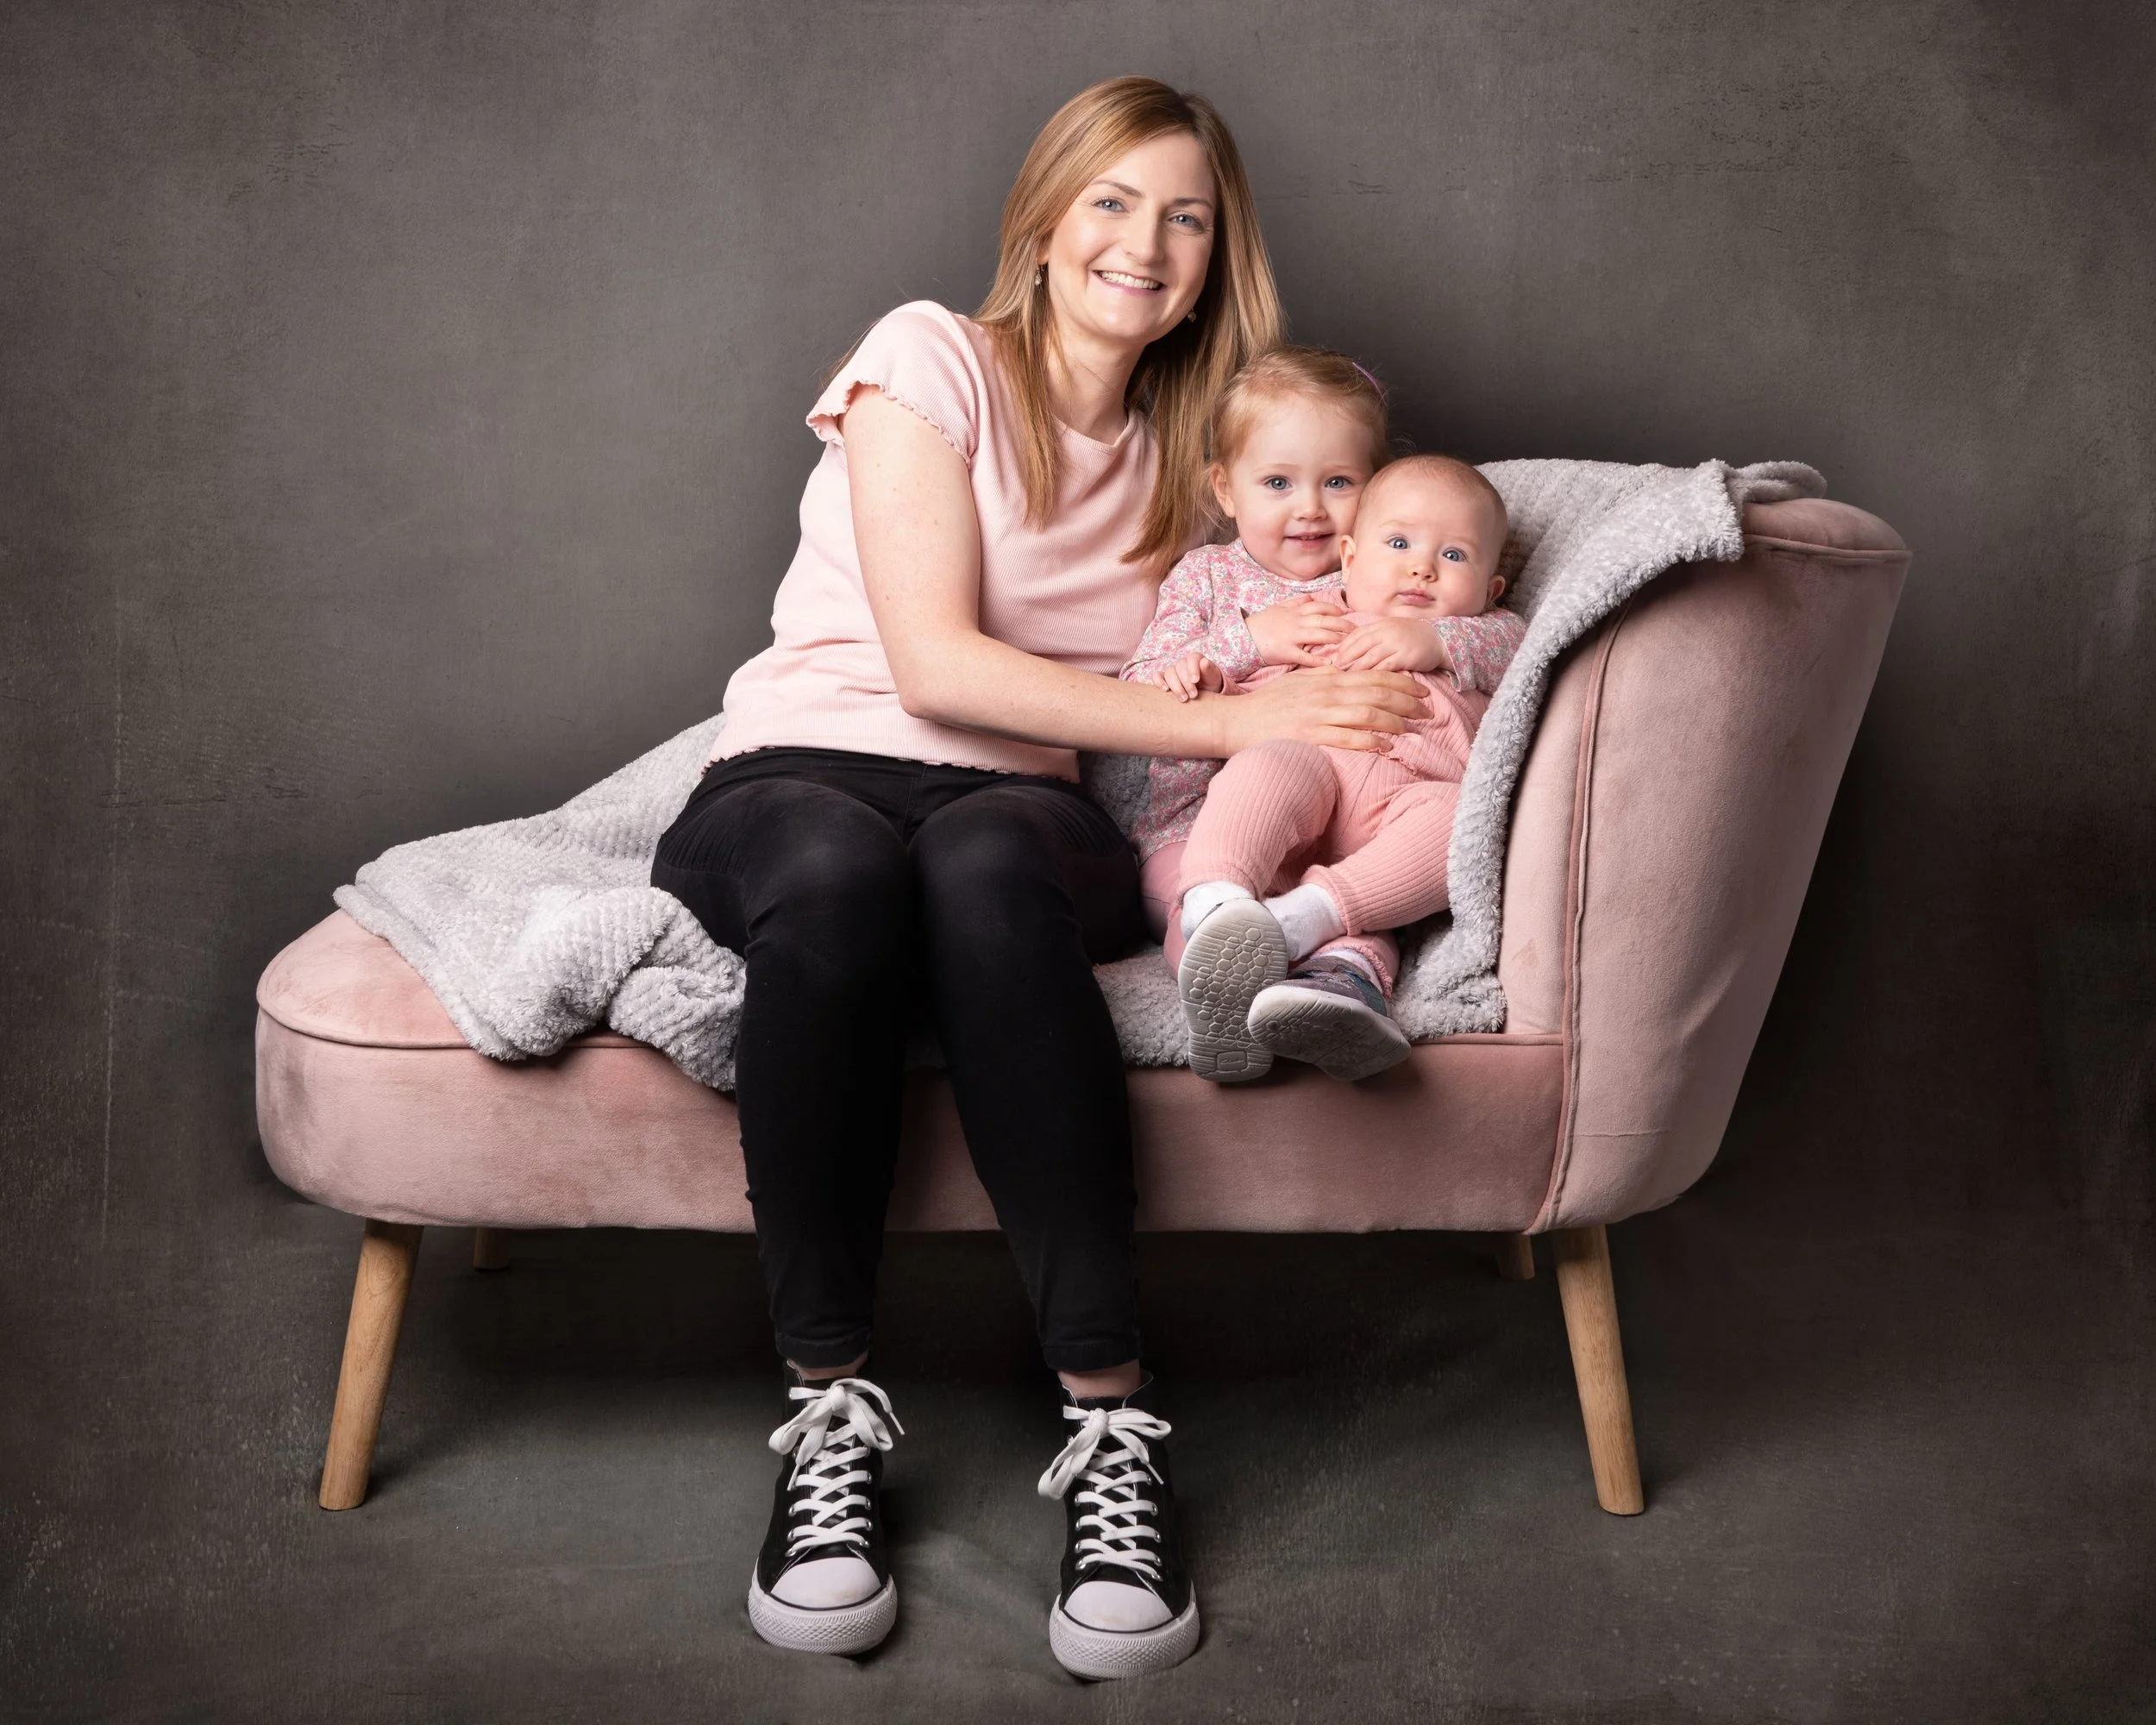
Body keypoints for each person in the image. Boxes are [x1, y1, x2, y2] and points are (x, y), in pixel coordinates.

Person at [648, 77, 1431, 1677]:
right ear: (1045, 219)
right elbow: (935, 667)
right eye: (1114, 203)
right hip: (802, 774)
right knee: (837, 869)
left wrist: (1333, 654)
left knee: (994, 857)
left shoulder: (1196, 460)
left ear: (1217, 259)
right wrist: (1255, 700)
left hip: (1024, 811)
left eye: (1188, 217)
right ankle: (828, 1413)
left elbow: (1357, 556)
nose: (1146, 244)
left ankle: (1113, 1420)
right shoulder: (925, 359)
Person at [1130, 448, 1524, 1081]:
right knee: (1267, 766)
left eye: (1453, 557)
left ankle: (1328, 972)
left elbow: (1524, 651)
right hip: (1301, 793)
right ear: (1350, 556)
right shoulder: (1315, 617)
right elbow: (1249, 708)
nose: (1422, 568)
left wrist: (1438, 639)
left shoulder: (1486, 632)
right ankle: (1218, 905)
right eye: (1398, 543)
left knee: (1461, 820)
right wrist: (1214, 674)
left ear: (1489, 589)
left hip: (1392, 826)